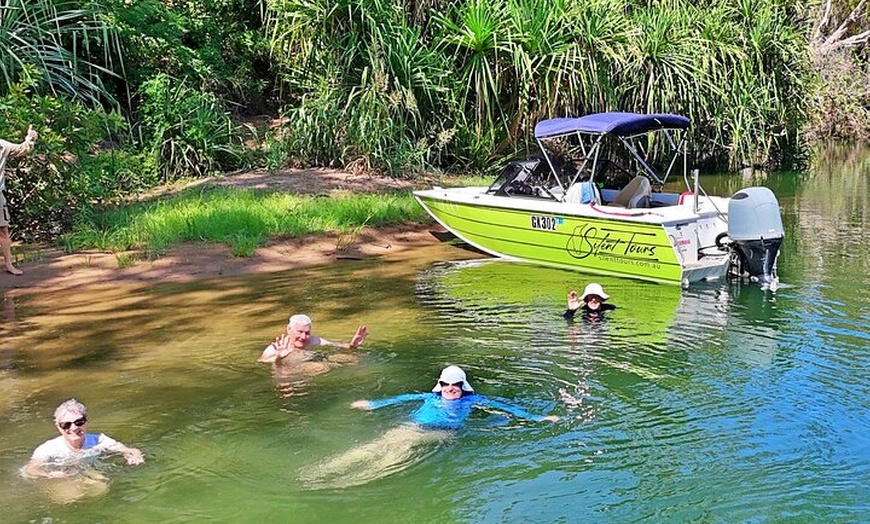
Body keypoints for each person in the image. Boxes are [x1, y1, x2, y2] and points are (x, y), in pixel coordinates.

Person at [299, 365, 558, 489]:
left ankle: (347, 481)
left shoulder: (474, 400)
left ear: (463, 385)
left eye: (455, 384)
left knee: (397, 452)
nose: (451, 389)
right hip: (414, 425)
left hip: (443, 432)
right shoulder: (430, 397)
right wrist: (372, 404)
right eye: (446, 384)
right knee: (377, 445)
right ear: (441, 384)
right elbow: (401, 398)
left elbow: (507, 408)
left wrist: (535, 418)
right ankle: (321, 471)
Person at [24, 398, 144, 479]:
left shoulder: (100, 440)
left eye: (79, 422)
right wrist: (49, 474)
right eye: (66, 424)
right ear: (58, 426)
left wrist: (133, 456)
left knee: (100, 485)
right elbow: (31, 469)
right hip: (65, 479)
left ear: (86, 421)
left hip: (90, 473)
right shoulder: (48, 449)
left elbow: (130, 450)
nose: (74, 428)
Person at [0, 125, 38, 275]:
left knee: (3, 230)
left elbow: (23, 149)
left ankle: (9, 265)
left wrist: (30, 138)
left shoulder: (2, 145)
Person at [257, 314, 367, 364]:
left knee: (353, 359)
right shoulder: (274, 349)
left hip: (313, 359)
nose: (304, 337)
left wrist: (352, 345)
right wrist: (278, 358)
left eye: (307, 333)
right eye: (300, 332)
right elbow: (261, 362)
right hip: (294, 369)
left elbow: (337, 345)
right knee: (319, 368)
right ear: (288, 329)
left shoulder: (314, 341)